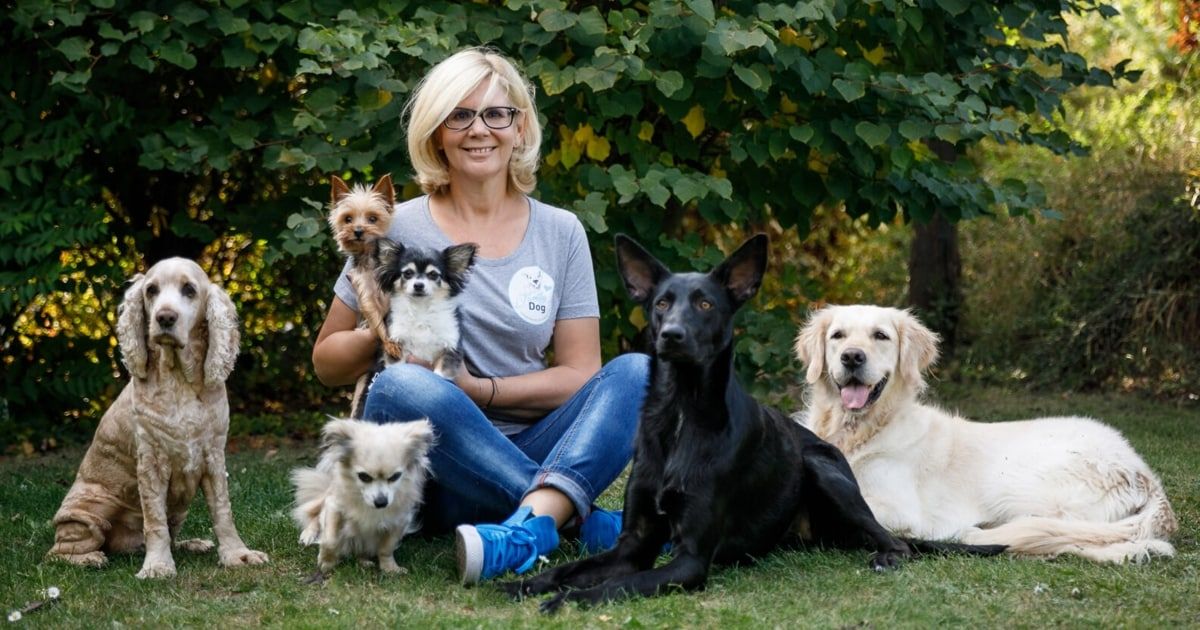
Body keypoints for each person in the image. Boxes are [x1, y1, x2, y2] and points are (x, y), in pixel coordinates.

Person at [311, 46, 649, 585]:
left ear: (519, 127)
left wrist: (476, 390)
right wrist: (386, 335)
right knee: (401, 387)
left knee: (639, 373)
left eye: (496, 113)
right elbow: (327, 363)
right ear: (437, 133)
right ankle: (571, 518)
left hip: (534, 438)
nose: (479, 130)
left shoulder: (561, 232)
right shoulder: (392, 225)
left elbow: (581, 375)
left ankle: (524, 526)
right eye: (460, 115)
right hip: (433, 466)